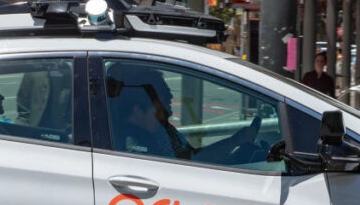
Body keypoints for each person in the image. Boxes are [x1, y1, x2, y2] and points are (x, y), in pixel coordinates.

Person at [107, 64, 255, 163]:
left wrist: (235, 144)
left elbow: (193, 157)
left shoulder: (161, 129)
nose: (169, 110)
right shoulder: (134, 146)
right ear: (137, 111)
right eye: (163, 103)